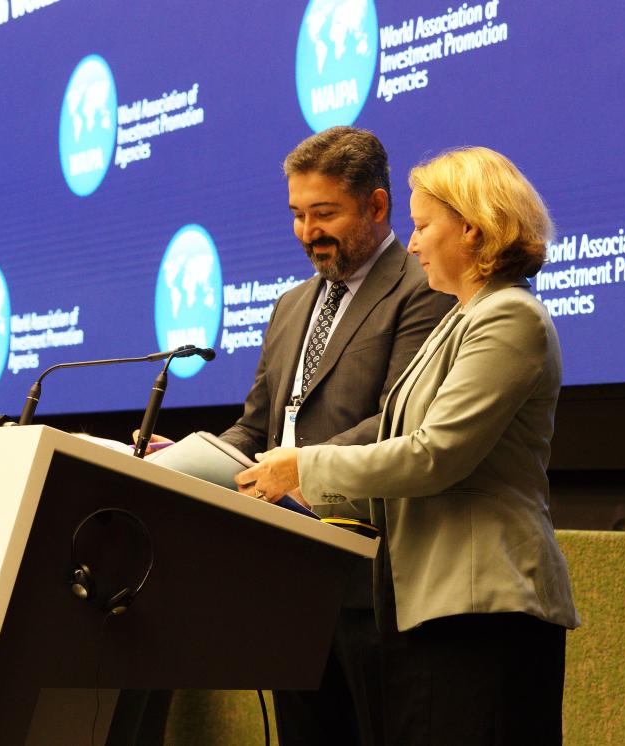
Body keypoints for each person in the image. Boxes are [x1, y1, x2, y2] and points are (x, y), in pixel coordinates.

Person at [238, 147, 580, 744]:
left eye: (423, 226)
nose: (413, 244)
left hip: (484, 606)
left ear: (471, 228)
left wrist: (303, 468)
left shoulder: (509, 318)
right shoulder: (460, 319)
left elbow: (432, 454)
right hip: (432, 604)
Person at [137, 127, 452, 745]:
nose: (309, 232)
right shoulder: (289, 306)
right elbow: (258, 426)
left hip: (371, 576)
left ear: (378, 206)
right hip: (286, 575)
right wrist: (195, 458)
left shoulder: (422, 290)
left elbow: (396, 418)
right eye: (298, 216)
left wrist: (298, 466)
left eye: (326, 213)